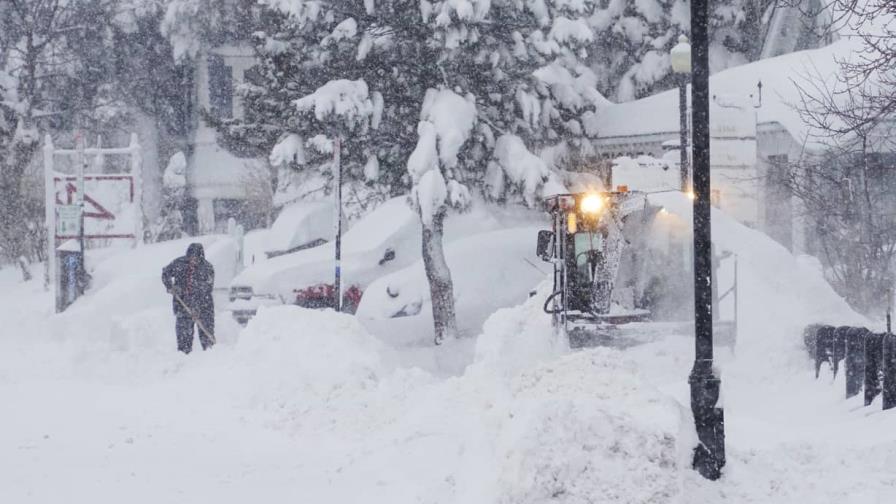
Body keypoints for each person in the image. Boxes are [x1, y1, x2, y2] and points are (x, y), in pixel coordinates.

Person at [161, 243, 215, 353]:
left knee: (207, 338)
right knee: (183, 338)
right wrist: (170, 286)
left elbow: (206, 290)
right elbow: (165, 272)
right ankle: (184, 360)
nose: (193, 260)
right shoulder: (179, 263)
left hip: (204, 307)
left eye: (196, 258)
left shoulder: (207, 269)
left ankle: (211, 359)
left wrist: (197, 309)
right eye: (191, 257)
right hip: (182, 306)